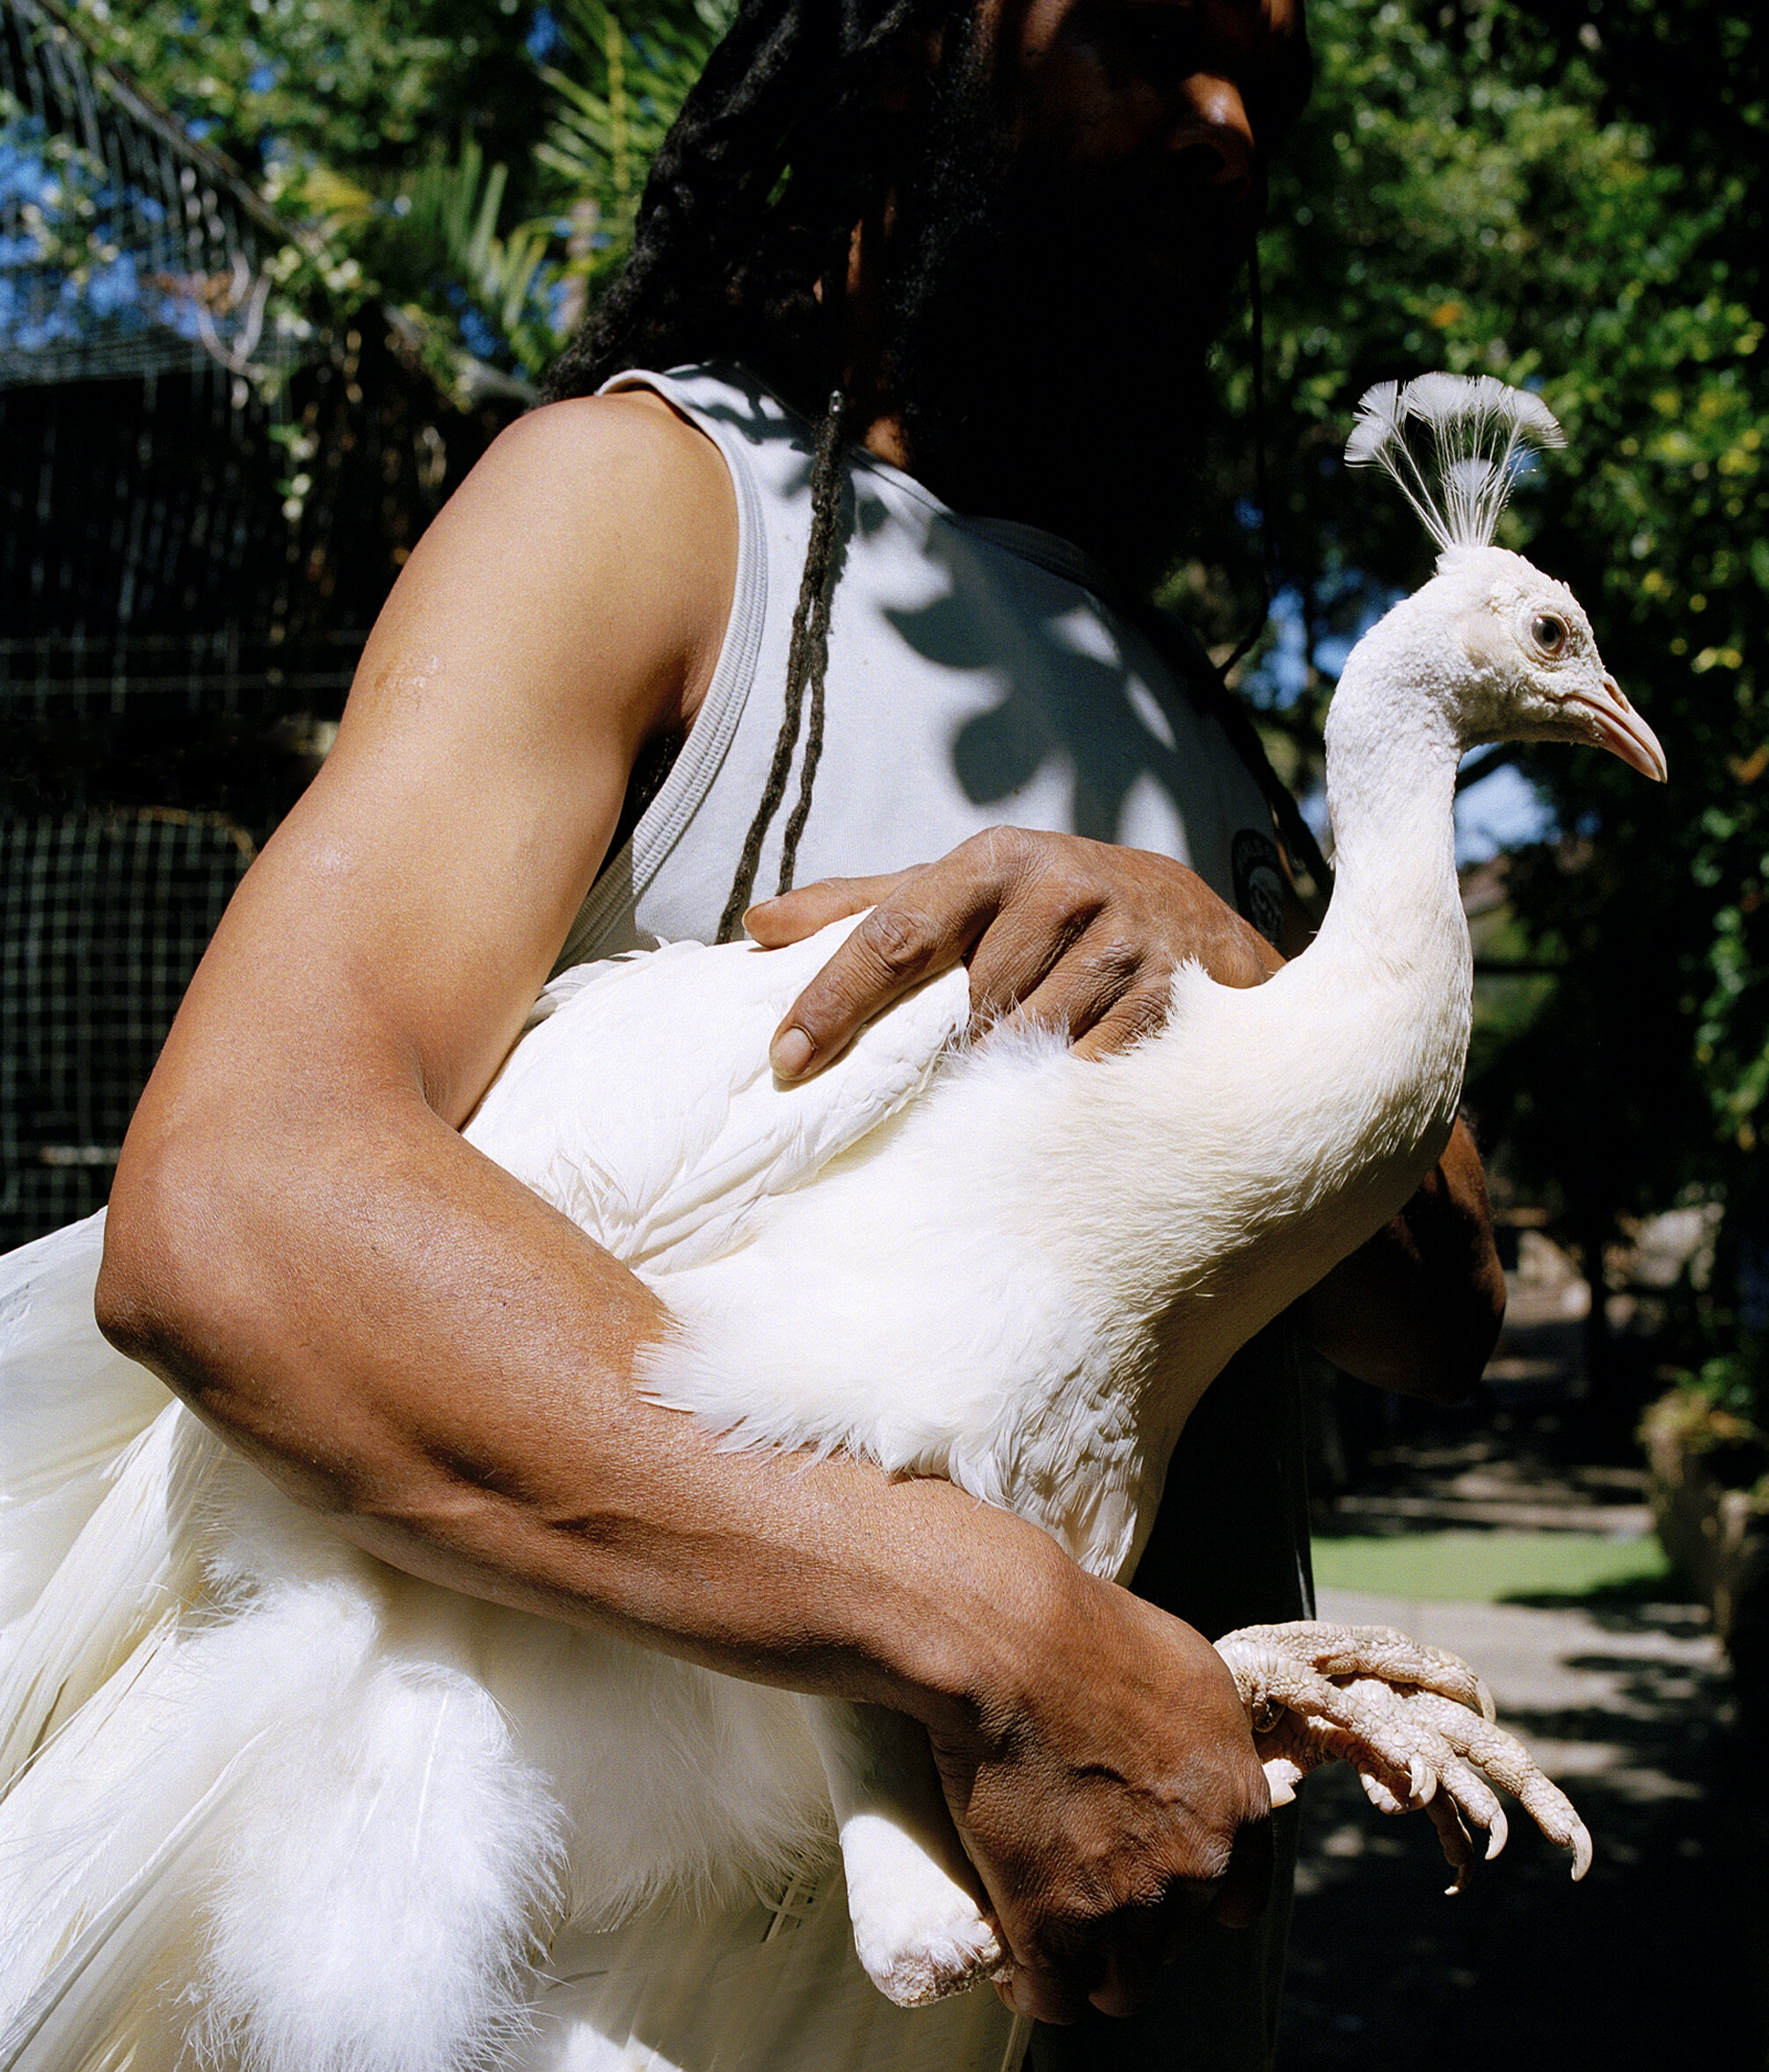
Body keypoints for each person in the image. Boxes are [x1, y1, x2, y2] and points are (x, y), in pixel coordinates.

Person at [91, 2, 1505, 2066]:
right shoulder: (648, 508)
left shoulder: (1199, 717)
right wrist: (1008, 1635)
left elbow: (1441, 1301)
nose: (1225, 123)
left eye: (1269, 89)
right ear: (896, 58)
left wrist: (1225, 949)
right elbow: (238, 1206)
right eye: (1146, 27)